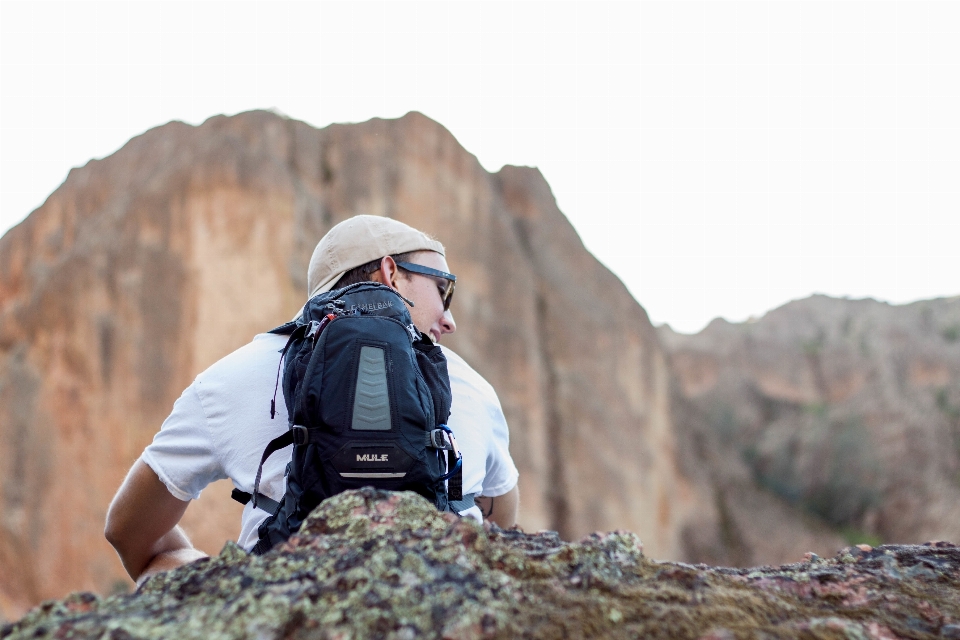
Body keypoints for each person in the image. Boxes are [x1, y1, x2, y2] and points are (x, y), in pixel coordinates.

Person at [105, 215, 520, 584]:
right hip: (441, 609)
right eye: (442, 290)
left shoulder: (227, 378)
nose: (449, 319)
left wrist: (221, 586)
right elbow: (501, 521)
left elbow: (127, 531)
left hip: (284, 614)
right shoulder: (472, 386)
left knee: (162, 562)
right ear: (390, 273)